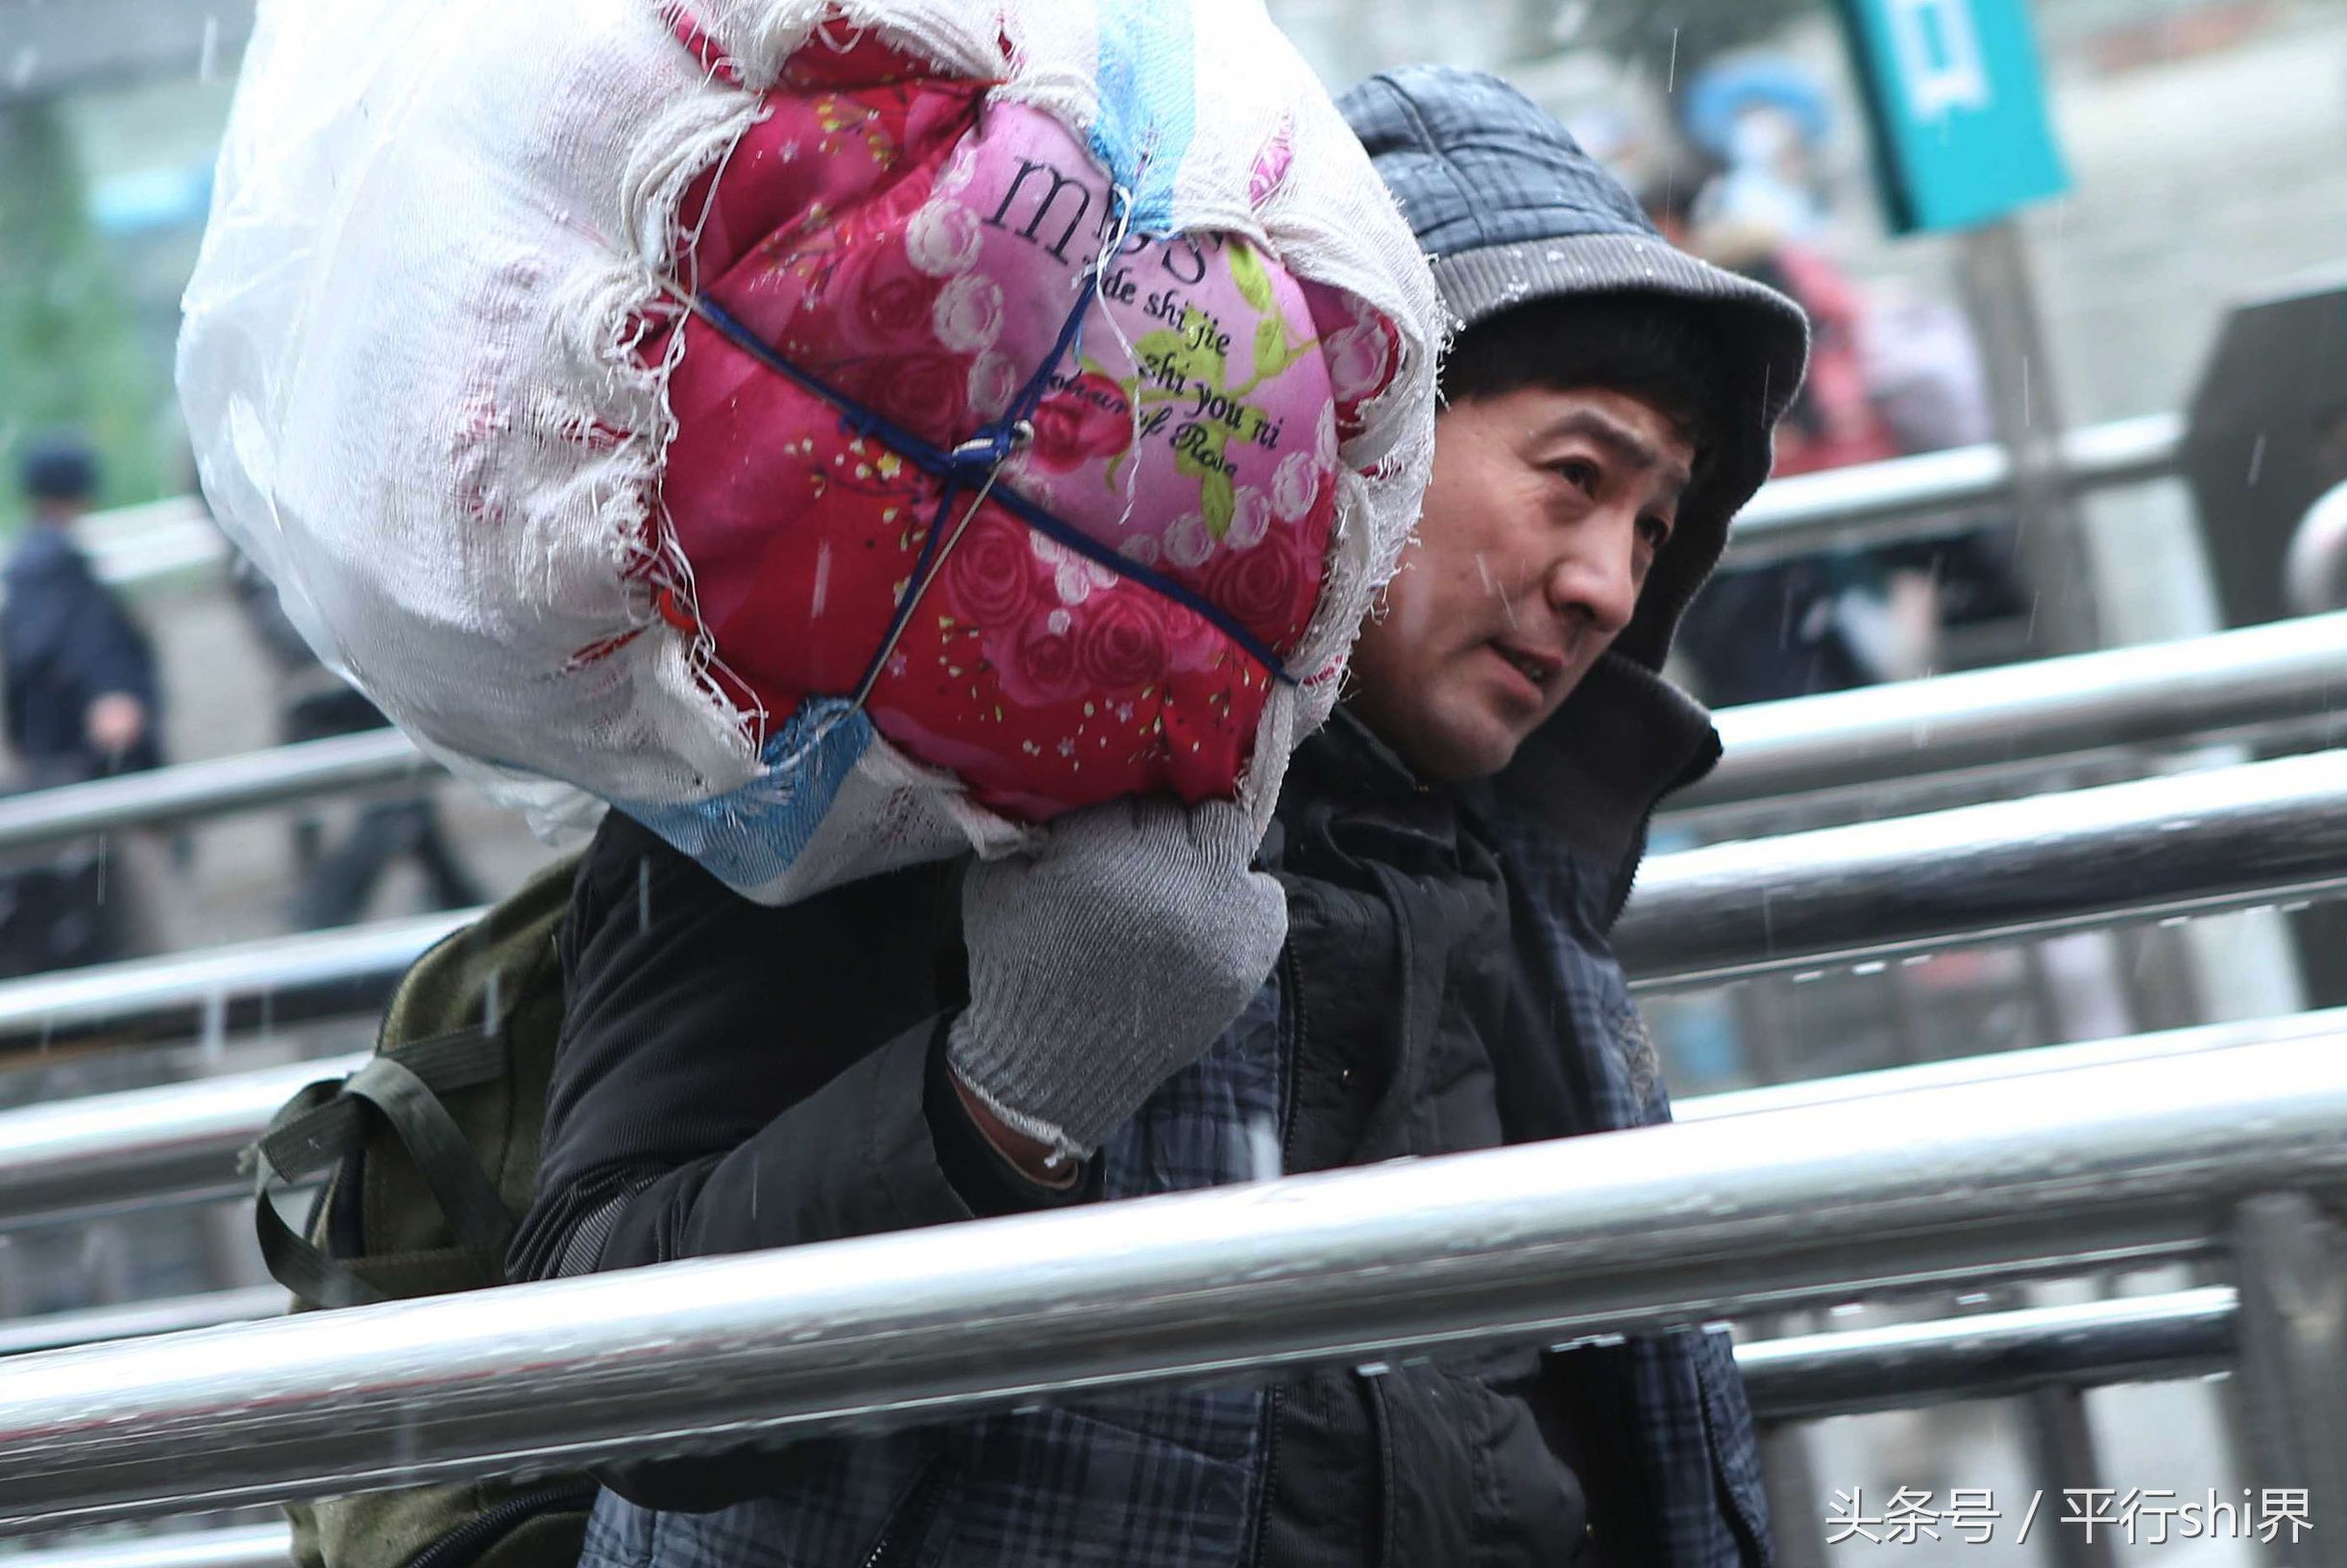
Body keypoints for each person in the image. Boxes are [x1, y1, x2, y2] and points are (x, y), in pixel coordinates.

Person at [510, 65, 1808, 1568]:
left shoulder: (1504, 872)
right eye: (1572, 479)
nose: (1608, 585)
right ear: (1351, 431)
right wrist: (998, 1105)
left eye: (1654, 525)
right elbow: (597, 1378)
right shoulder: (903, 752)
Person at [226, 548, 486, 929]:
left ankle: (453, 900)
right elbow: (287, 630)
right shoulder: (262, 540)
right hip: (323, 701)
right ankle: (321, 918)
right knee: (395, 811)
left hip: (366, 693)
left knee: (403, 807)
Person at [4, 437, 163, 786]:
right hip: (83, 738)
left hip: (64, 737)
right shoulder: (51, 565)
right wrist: (107, 692)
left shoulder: (38, 560)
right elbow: (78, 641)